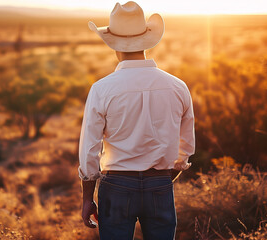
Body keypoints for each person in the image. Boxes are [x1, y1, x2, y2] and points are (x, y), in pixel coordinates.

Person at [78, 2, 195, 239]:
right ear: (147, 40)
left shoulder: (102, 89)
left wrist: (87, 199)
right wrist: (162, 178)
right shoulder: (178, 86)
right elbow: (186, 145)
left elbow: (90, 149)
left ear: (113, 44)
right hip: (160, 183)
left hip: (116, 187)